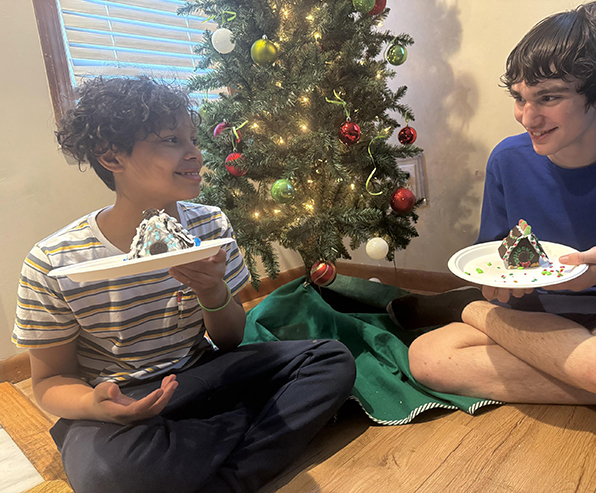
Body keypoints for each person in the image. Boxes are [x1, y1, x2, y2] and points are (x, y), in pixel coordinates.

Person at [12, 76, 356, 493]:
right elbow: (49, 382)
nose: (196, 154)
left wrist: (213, 293)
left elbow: (230, 340)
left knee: (330, 360)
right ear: (112, 156)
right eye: (172, 140)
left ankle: (211, 467)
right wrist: (95, 404)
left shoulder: (210, 226)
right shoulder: (54, 261)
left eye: (193, 139)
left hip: (202, 375)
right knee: (108, 475)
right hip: (123, 400)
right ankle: (246, 432)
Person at [388, 2, 596, 410]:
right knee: (427, 358)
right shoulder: (508, 159)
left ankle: (469, 310)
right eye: (519, 98)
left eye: (548, 97)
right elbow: (494, 252)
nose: (527, 118)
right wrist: (493, 284)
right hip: (534, 313)